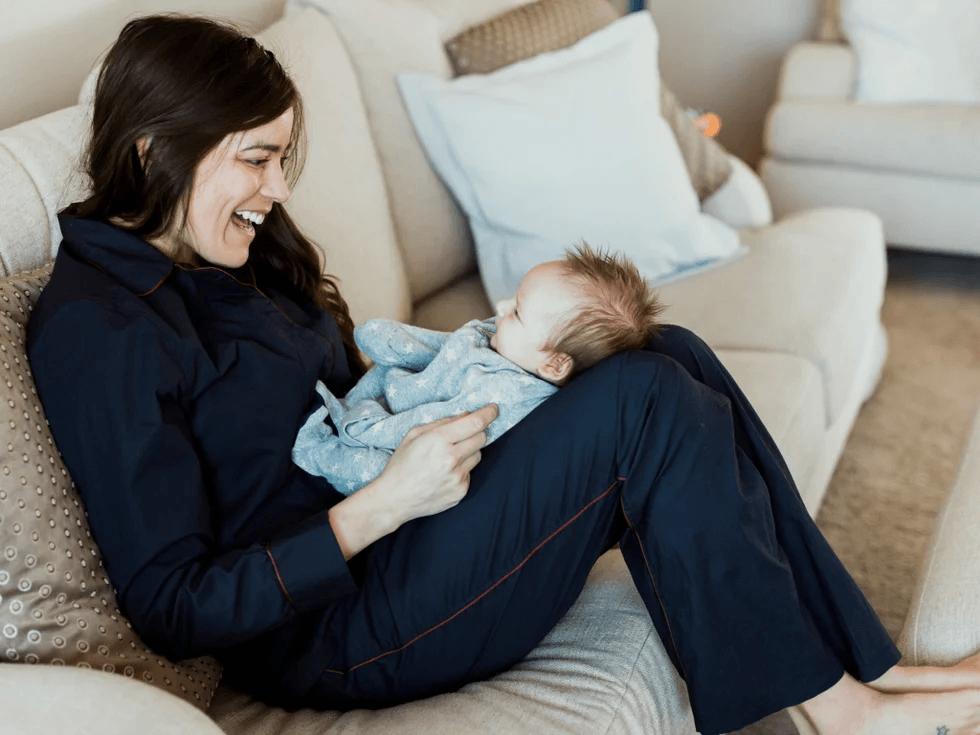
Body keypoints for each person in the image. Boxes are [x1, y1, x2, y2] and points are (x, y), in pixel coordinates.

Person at [23, 13, 980, 735]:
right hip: (333, 624)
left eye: (282, 158)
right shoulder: (97, 330)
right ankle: (844, 712)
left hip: (407, 516)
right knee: (643, 400)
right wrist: (384, 504)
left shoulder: (230, 246)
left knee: (664, 353)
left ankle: (857, 670)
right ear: (154, 149)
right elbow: (170, 606)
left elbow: (346, 387)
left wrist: (467, 387)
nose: (278, 190)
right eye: (258, 160)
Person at [292, 244, 664, 496]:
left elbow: (429, 427)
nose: (501, 306)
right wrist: (401, 342)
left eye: (517, 311)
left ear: (552, 364)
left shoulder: (506, 398)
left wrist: (366, 424)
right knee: (385, 367)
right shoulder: (516, 348)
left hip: (407, 453)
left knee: (372, 472)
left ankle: (319, 452)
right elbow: (450, 349)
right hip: (413, 392)